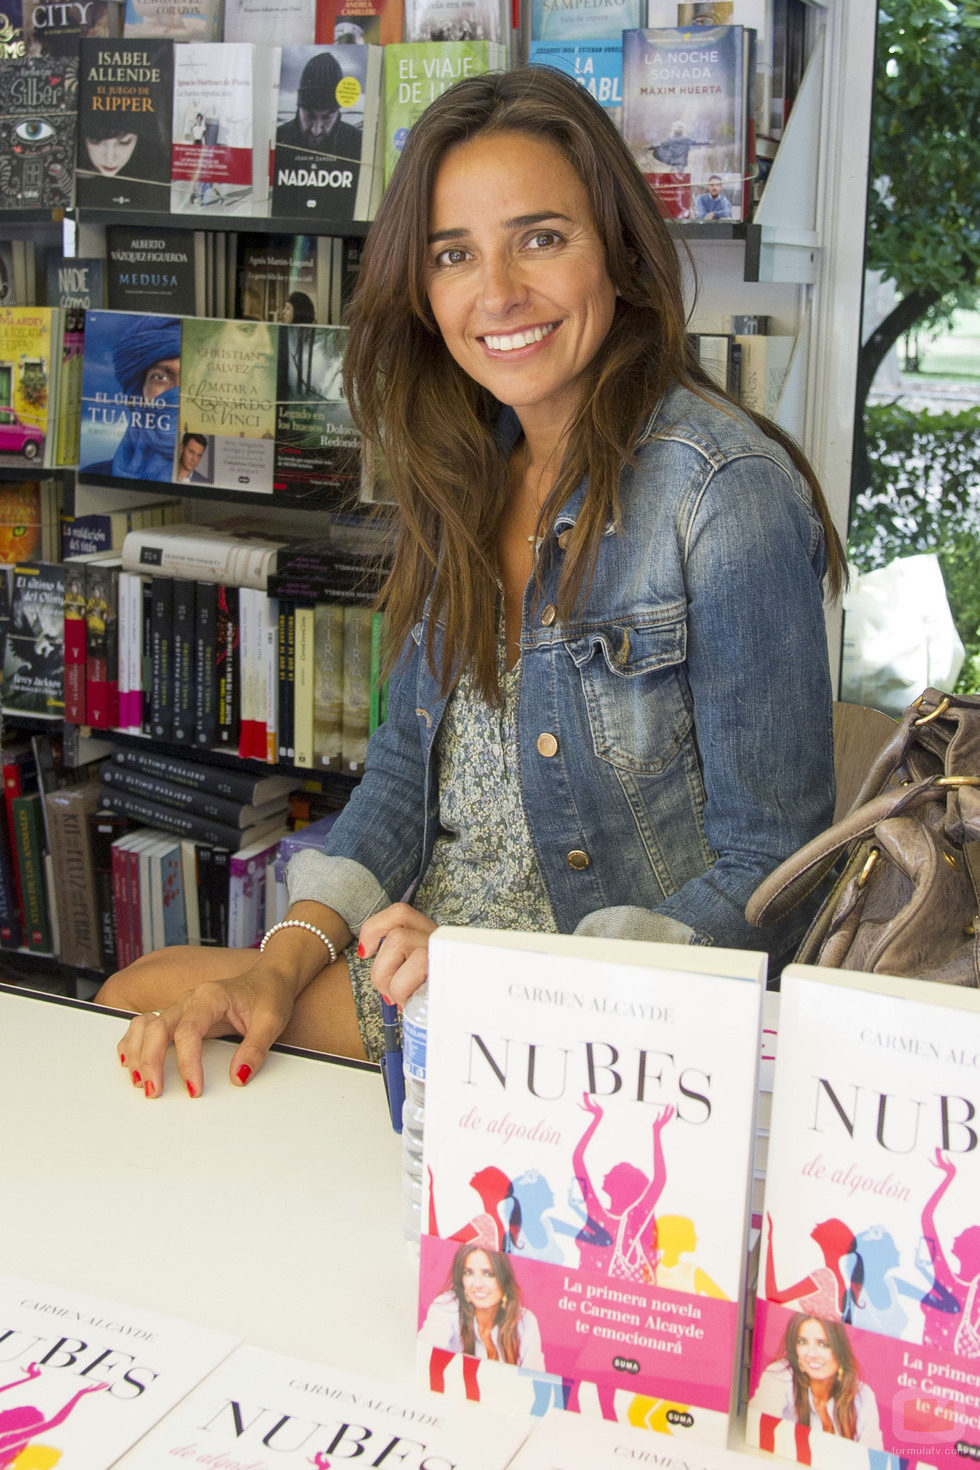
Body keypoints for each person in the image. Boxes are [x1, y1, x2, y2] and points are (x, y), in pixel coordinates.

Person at [97, 67, 843, 1101]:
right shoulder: (472, 468)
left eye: (540, 238)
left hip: (597, 1015)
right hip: (434, 971)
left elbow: (779, 868)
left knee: (146, 1009)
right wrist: (284, 957)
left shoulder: (721, 494)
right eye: (454, 255)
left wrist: (510, 979)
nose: (495, 293)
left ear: (618, 253)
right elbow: (404, 777)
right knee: (150, 1002)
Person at [750, 1313, 883, 1447]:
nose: (811, 1354)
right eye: (802, 1342)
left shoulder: (863, 1396)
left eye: (823, 1344)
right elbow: (755, 1431)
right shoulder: (780, 1375)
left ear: (840, 1351)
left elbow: (874, 1460)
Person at [81, 315, 181, 482]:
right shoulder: (95, 474)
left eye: (190, 381)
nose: (175, 393)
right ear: (136, 395)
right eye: (160, 377)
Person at [418, 1245, 544, 1367]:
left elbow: (535, 1381)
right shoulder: (447, 1306)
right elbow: (423, 1357)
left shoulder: (525, 1322)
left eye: (488, 1274)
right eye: (468, 1272)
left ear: (504, 1281)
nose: (477, 1284)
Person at [276, 51, 362, 162]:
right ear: (299, 109)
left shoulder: (357, 144)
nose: (316, 131)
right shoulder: (277, 140)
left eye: (326, 118)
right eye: (309, 116)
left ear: (337, 114)